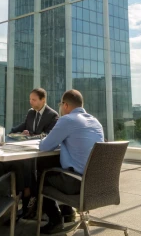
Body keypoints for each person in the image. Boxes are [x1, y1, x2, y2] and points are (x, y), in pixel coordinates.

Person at [37, 89, 104, 234]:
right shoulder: (95, 121)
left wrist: (44, 137)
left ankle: (55, 220)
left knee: (41, 175)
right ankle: (67, 213)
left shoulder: (67, 120)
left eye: (61, 105)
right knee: (56, 166)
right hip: (97, 182)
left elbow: (45, 146)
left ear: (65, 105)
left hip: (77, 183)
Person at [9, 88, 60, 219]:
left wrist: (31, 135)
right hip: (29, 152)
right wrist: (12, 132)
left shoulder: (52, 115)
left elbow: (48, 136)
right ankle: (26, 204)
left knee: (27, 167)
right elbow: (23, 126)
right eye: (30, 99)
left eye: (33, 99)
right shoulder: (31, 113)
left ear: (43, 100)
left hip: (42, 155)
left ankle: (30, 205)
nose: (30, 102)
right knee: (20, 165)